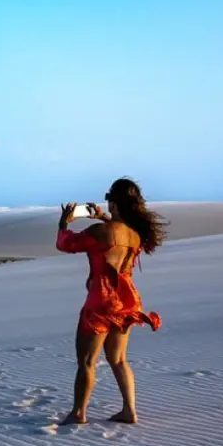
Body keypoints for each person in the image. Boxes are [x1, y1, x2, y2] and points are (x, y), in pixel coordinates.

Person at [55, 177, 167, 425]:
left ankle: (78, 413)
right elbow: (118, 236)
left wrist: (64, 223)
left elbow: (65, 244)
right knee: (118, 359)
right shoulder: (135, 235)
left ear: (114, 204)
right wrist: (105, 217)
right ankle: (129, 410)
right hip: (127, 302)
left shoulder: (101, 233)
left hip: (100, 302)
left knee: (86, 362)